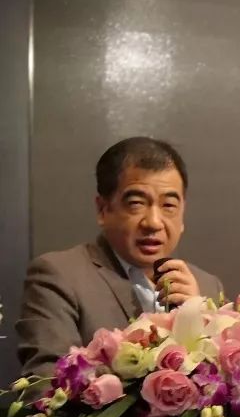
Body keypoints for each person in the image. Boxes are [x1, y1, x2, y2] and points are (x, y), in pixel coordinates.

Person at [16, 137, 224, 377]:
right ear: (103, 210)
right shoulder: (60, 277)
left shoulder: (207, 287)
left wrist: (199, 317)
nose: (153, 222)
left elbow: (227, 385)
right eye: (136, 204)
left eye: (168, 205)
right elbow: (46, 383)